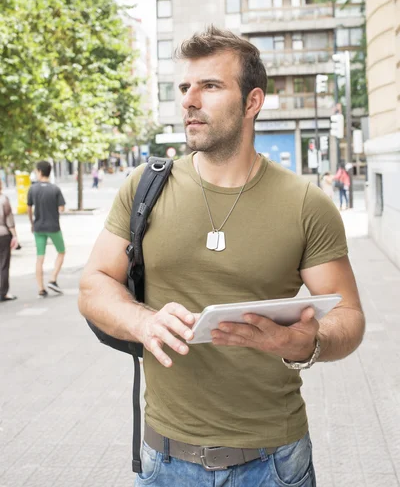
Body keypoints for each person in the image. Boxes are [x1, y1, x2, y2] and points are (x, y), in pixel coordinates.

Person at [79, 27, 365, 487]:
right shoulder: (145, 186)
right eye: (184, 88)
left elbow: (349, 316)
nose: (190, 100)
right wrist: (142, 322)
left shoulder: (305, 204)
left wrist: (306, 344)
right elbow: (94, 283)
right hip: (164, 460)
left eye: (210, 86)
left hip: (275, 461)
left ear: (253, 102)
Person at [27, 161, 66, 298]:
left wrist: (32, 223)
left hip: (38, 227)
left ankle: (41, 288)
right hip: (53, 227)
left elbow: (29, 209)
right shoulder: (55, 189)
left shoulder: (32, 189)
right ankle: (53, 279)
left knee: (40, 258)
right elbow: (61, 208)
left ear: (39, 171)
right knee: (61, 251)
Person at [0, 178, 19, 302]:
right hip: (3, 234)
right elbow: (9, 220)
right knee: (4, 265)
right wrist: (15, 235)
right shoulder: (3, 199)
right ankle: (3, 292)